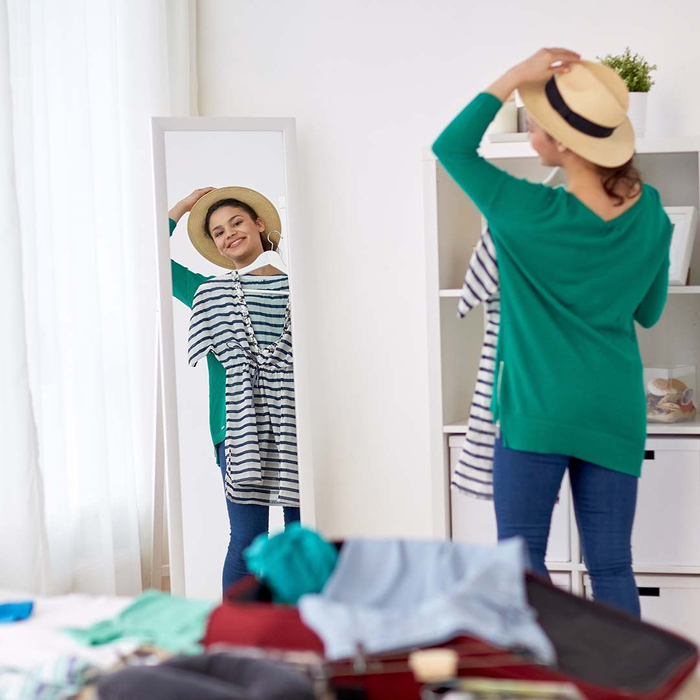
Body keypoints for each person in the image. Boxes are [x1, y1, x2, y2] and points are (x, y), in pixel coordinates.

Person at [433, 48, 672, 617]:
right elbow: (651, 310)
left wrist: (515, 73)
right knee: (612, 564)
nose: (530, 123)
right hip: (613, 409)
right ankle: (625, 684)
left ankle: (543, 680)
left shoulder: (525, 209)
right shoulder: (653, 212)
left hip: (537, 410)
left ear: (564, 143)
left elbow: (451, 147)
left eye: (535, 118)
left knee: (523, 563)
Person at [168, 186, 300, 593]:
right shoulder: (208, 292)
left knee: (303, 535)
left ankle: (300, 625)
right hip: (235, 430)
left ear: (260, 225)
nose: (229, 234)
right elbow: (147, 258)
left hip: (300, 425)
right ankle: (238, 633)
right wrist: (183, 208)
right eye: (218, 232)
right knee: (247, 540)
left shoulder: (304, 289)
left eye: (236, 222)